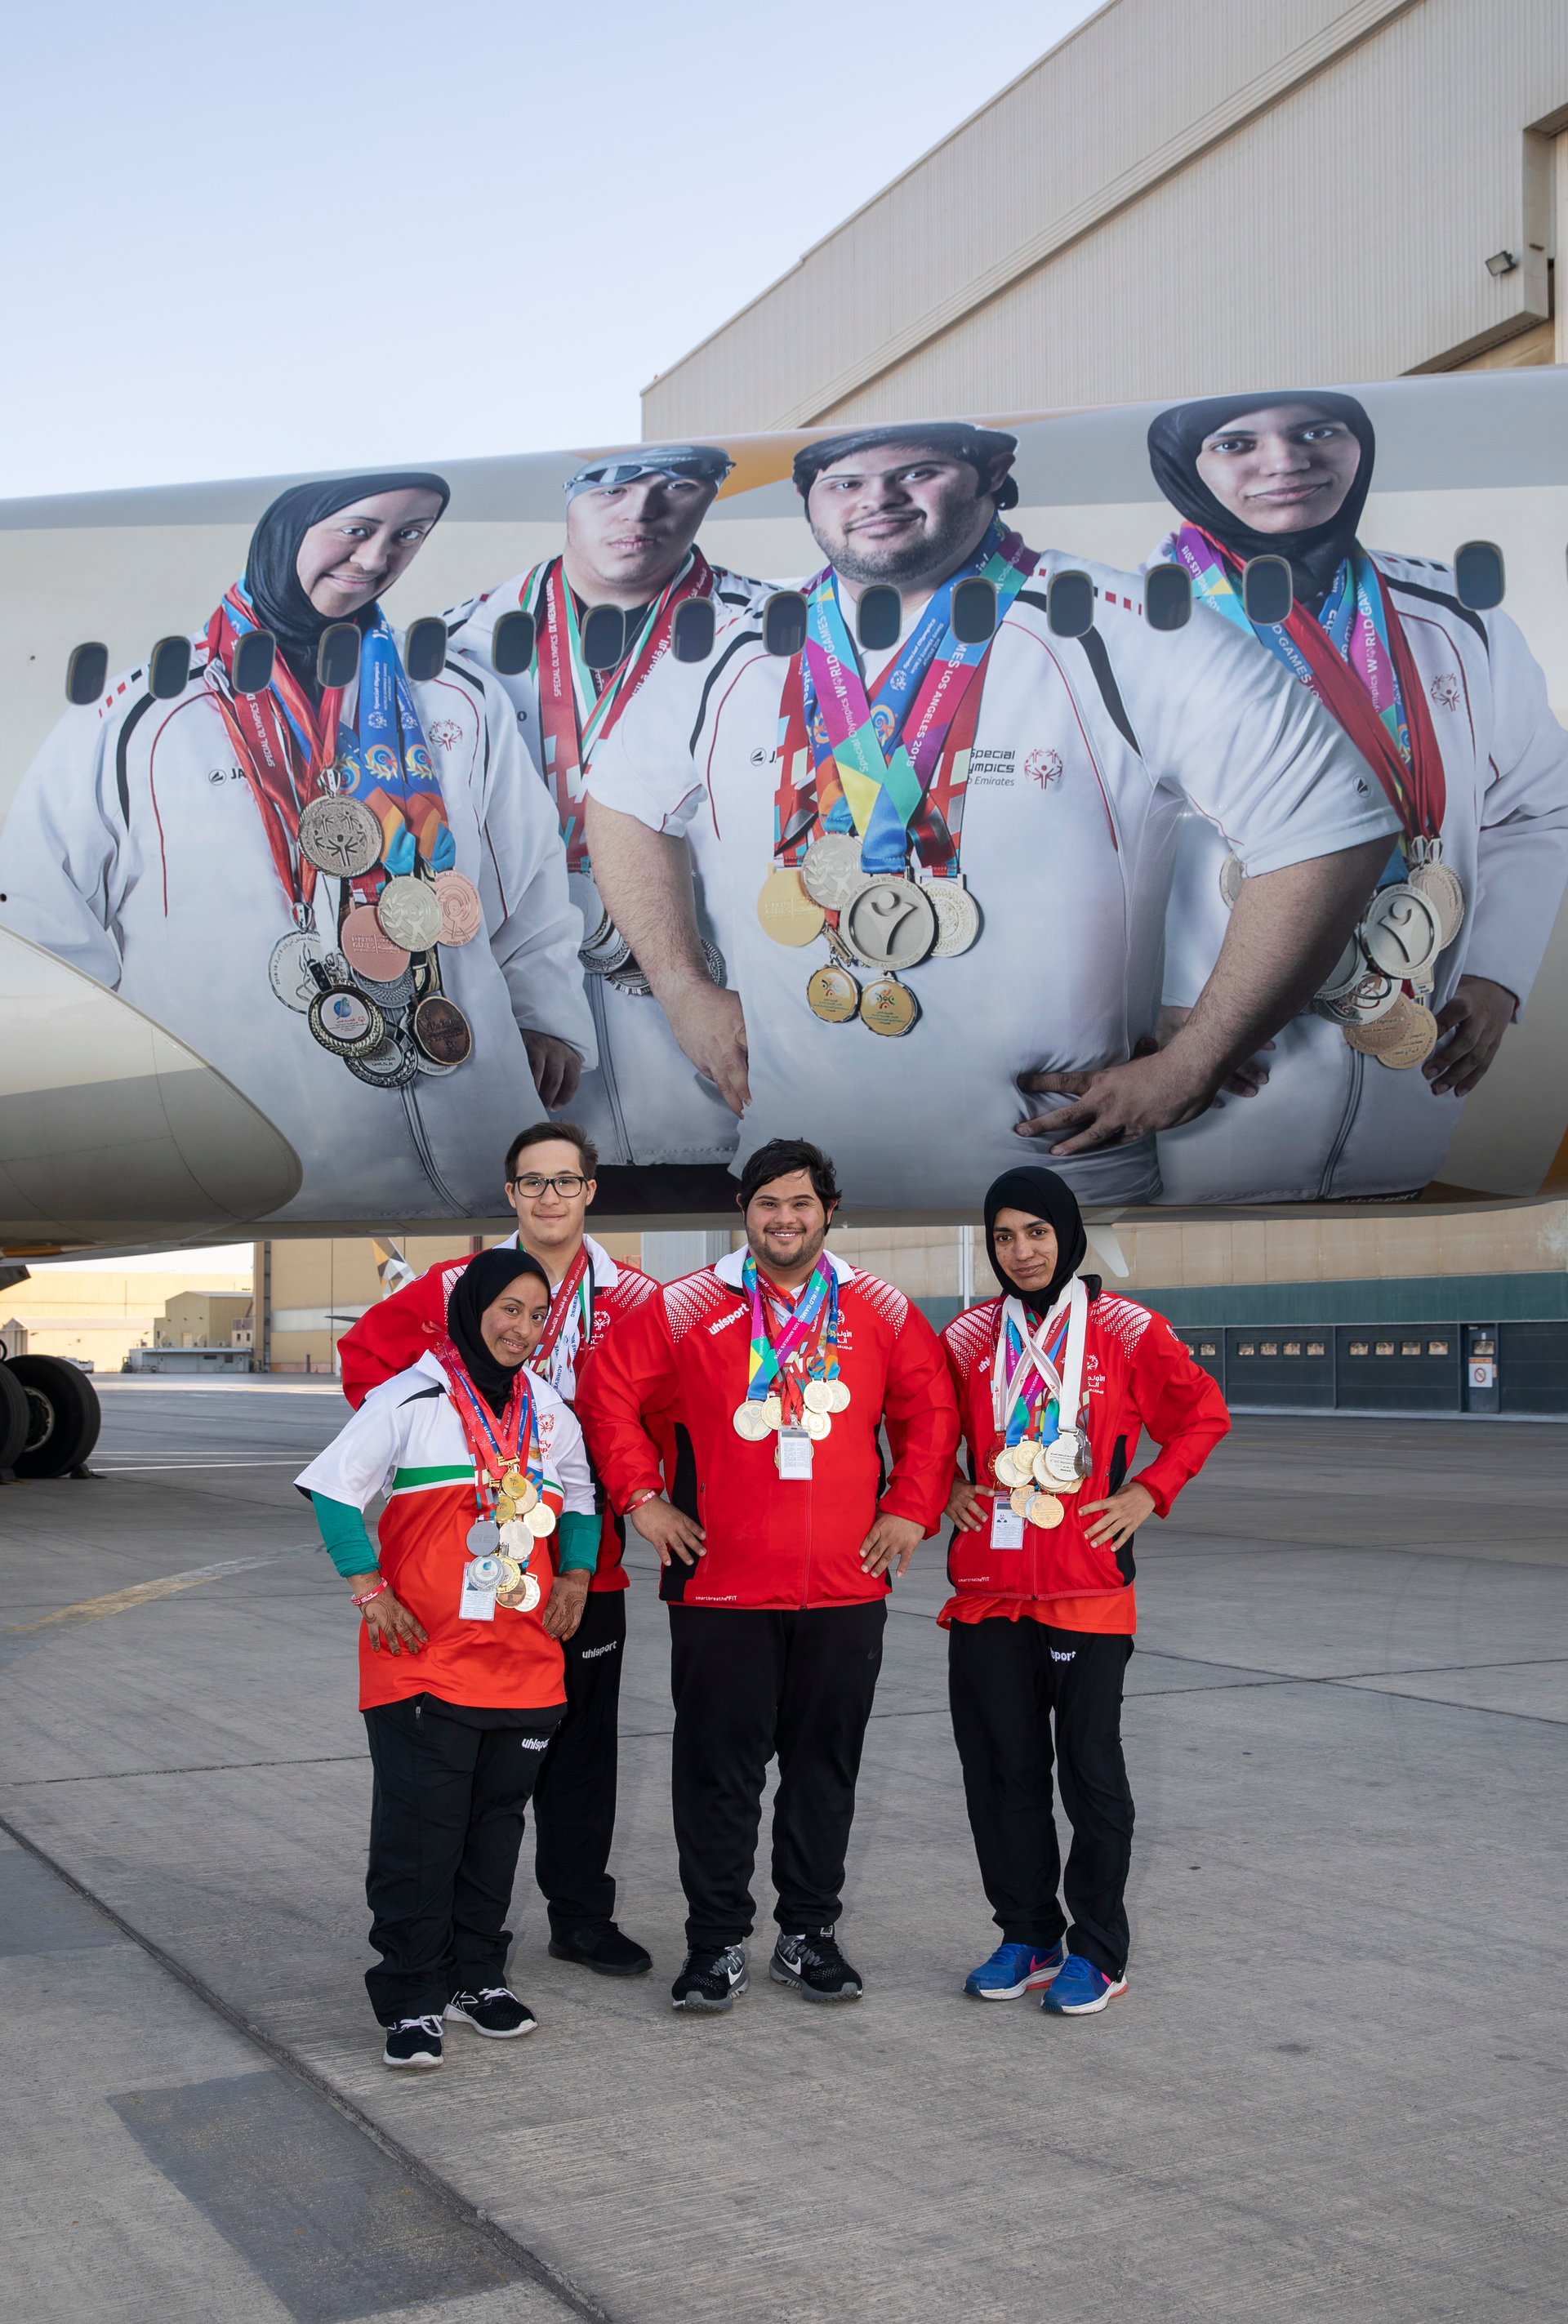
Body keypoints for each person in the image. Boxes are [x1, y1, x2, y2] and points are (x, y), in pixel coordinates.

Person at [581, 420, 1404, 1215]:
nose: (879, 500)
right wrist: (684, 990)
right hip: (794, 1189)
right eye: (846, 482)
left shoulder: (1125, 624)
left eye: (916, 472)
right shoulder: (735, 643)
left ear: (995, 476)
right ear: (810, 501)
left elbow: (1330, 829)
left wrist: (1197, 1059)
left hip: (1053, 1191)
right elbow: (619, 799)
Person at [0, 473, 594, 1219]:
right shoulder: (145, 712)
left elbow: (527, 872)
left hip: (473, 1126)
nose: (377, 558)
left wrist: (547, 1012)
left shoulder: (453, 696)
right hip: (267, 1133)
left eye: (407, 535)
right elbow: (47, 910)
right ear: (288, 535)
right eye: (356, 529)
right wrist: (99, 1102)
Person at [1144, 391, 1568, 1201]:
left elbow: (1538, 806)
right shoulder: (1130, 627)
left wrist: (1493, 975)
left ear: (1358, 446)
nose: (1285, 459)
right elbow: (1085, 845)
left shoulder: (1456, 618)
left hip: (1404, 1112)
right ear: (1187, 467)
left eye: (1316, 431)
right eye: (1237, 442)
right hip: (1206, 1113)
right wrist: (1155, 1007)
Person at [577, 1136, 959, 2012]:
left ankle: (808, 1932)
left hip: (846, 1584)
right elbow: (607, 1394)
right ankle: (715, 1942)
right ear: (743, 1213)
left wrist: (910, 1506)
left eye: (800, 1204)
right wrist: (641, 1497)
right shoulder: (686, 1306)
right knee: (718, 1770)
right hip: (721, 1583)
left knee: (825, 1767)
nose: (783, 1219)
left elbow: (929, 1408)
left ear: (829, 1210)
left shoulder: (879, 1306)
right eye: (766, 1205)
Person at [336, 1119, 664, 1978]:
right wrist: (424, 1450)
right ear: (511, 1193)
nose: (549, 1196)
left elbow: (664, 1408)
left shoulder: (633, 1295)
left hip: (583, 1566)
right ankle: (446, 1940)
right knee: (468, 1765)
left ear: (591, 1191)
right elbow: (366, 1352)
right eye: (532, 1182)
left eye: (566, 1181)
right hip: (471, 1572)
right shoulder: (453, 1283)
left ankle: (581, 1915)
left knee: (581, 1748)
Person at [295, 1246, 600, 2068]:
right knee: (421, 1835)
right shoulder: (412, 1394)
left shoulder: (547, 1407)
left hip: (523, 1660)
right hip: (422, 1657)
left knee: (495, 1830)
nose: (522, 1327)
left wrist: (575, 1571)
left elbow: (580, 1495)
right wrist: (369, 1588)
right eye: (508, 1308)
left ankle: (475, 1977)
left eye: (538, 1313)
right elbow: (333, 1488)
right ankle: (410, 1993)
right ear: (471, 1308)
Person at [940, 1167, 1229, 2015]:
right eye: (1004, 1235)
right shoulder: (964, 1337)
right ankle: (1028, 1932)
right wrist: (942, 1486)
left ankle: (1099, 1949)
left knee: (1090, 1775)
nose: (1021, 1250)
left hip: (1087, 1593)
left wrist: (1149, 1490)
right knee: (1001, 1772)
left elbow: (1202, 1412)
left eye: (1036, 1232)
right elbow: (919, 1424)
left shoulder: (1128, 1329)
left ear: (1066, 1235)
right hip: (990, 1590)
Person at [446, 445, 768, 1173]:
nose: (642, 512)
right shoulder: (451, 648)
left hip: (731, 1071)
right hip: (539, 1084)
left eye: (677, 487)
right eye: (609, 490)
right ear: (566, 498)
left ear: (711, 494)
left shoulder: (777, 632)